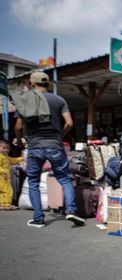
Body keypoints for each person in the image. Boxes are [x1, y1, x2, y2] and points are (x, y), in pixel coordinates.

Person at [14, 72, 85, 228]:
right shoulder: (59, 100)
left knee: (33, 181)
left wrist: (19, 141)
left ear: (32, 84)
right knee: (65, 179)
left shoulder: (26, 99)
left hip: (35, 146)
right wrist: (59, 135)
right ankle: (71, 210)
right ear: (48, 83)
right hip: (55, 145)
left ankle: (38, 218)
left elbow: (18, 126)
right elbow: (69, 123)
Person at [0, 140, 23, 210]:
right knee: (8, 191)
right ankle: (7, 205)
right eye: (4, 148)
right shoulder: (0, 156)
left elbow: (13, 160)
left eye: (7, 148)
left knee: (4, 191)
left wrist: (22, 158)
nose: (6, 150)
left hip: (5, 177)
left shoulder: (5, 156)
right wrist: (3, 172)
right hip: (2, 177)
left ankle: (3, 204)